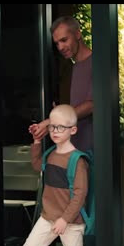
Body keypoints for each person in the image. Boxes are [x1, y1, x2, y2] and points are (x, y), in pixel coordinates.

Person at [22, 104, 88, 246]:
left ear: (73, 130)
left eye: (60, 127)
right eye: (52, 127)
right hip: (48, 217)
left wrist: (65, 220)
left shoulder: (77, 161)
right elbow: (38, 166)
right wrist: (37, 142)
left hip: (71, 222)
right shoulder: (51, 154)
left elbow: (80, 194)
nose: (55, 131)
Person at [30, 16, 93, 152]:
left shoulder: (95, 63)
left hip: (92, 150)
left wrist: (53, 121)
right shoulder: (73, 67)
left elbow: (91, 105)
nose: (60, 47)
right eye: (57, 43)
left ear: (77, 34)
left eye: (64, 40)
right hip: (74, 148)